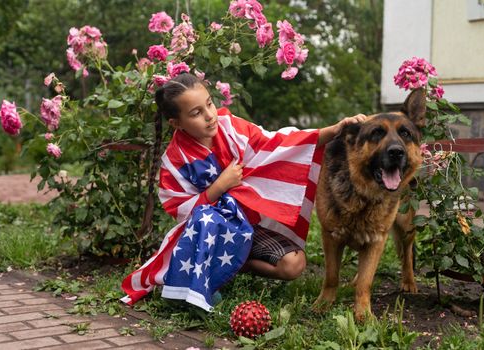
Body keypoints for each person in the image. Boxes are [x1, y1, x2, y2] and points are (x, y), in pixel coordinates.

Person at [122, 73, 366, 311]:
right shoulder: (175, 162)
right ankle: (206, 276)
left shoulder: (230, 128)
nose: (209, 116)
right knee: (206, 218)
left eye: (209, 104)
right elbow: (185, 215)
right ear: (176, 123)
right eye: (196, 113)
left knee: (293, 264)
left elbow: (279, 142)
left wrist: (334, 130)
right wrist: (219, 186)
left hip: (248, 226)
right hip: (210, 236)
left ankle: (236, 265)